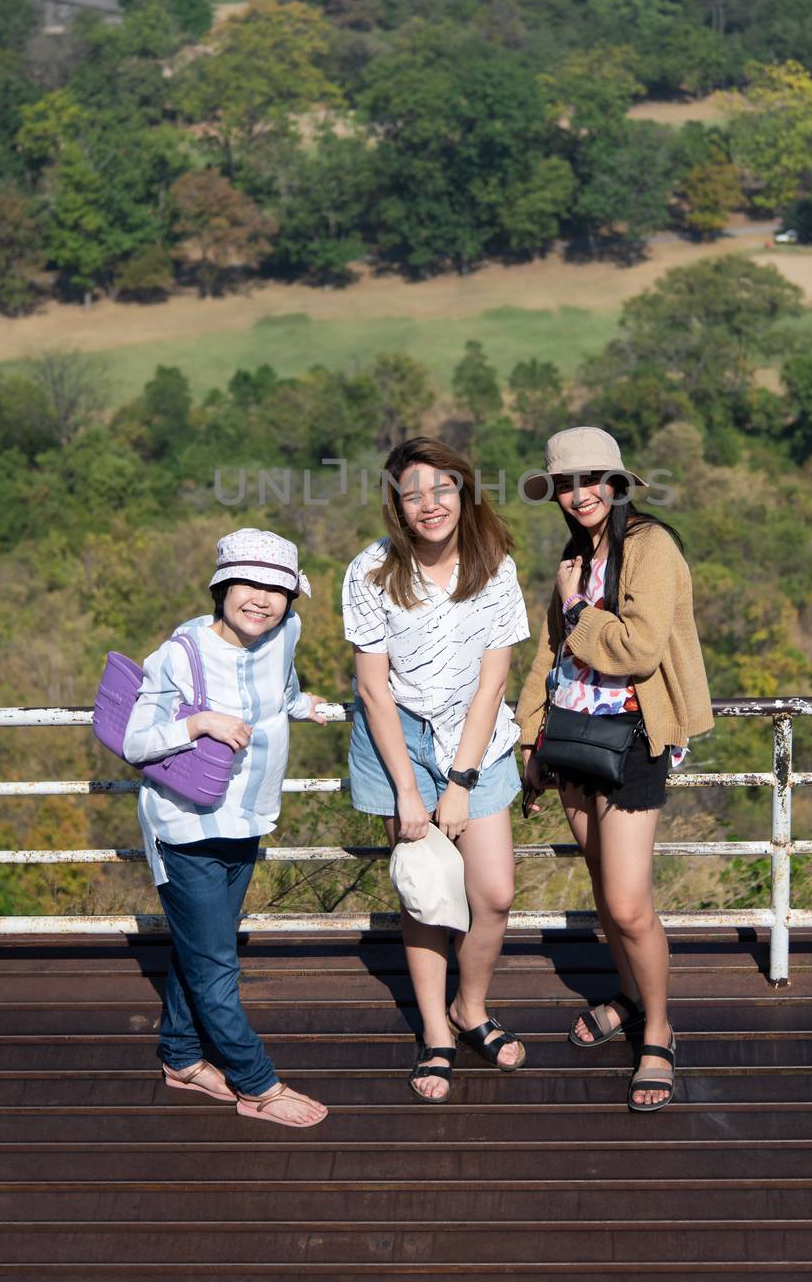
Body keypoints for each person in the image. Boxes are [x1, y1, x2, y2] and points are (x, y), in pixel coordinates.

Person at [516, 427, 712, 1112]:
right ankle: (629, 997)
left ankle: (658, 1028)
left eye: (591, 479)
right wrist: (528, 740)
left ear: (618, 481)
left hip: (631, 738)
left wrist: (577, 606)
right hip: (570, 737)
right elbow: (550, 654)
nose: (578, 494)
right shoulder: (577, 554)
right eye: (566, 484)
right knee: (604, 894)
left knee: (629, 904)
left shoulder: (650, 547)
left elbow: (636, 648)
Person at [342, 437, 531, 1103]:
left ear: (464, 491)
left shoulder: (494, 566)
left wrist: (459, 783)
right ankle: (435, 1032)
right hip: (401, 744)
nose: (429, 503)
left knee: (494, 894)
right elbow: (373, 690)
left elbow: (492, 683)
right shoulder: (371, 572)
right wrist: (410, 791)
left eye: (442, 488)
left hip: (475, 745)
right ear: (396, 503)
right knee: (425, 895)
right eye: (413, 491)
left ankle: (469, 1006)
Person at [124, 527, 331, 1129]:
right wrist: (200, 724)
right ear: (221, 588)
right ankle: (257, 1084)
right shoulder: (179, 655)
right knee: (216, 964)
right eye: (249, 584)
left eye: (277, 589)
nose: (263, 600)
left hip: (247, 818)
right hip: (186, 827)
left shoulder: (285, 633)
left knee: (202, 948)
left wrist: (304, 705)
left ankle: (182, 1056)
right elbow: (136, 740)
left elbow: (280, 690)